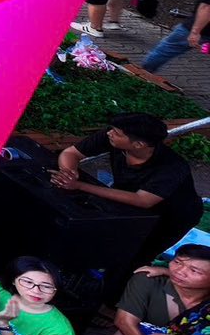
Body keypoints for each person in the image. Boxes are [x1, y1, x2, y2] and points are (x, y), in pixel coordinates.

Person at [57, 114, 202, 266]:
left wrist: (80, 185)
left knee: (134, 256)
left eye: (116, 133)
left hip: (170, 217)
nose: (109, 133)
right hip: (129, 199)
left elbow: (143, 200)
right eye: (112, 129)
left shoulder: (172, 168)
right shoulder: (113, 137)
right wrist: (68, 173)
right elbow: (71, 153)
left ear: (138, 144)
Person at [143, 0, 210, 73]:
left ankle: (143, 74)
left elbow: (207, 8)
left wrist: (195, 31)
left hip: (203, 28)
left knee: (166, 50)